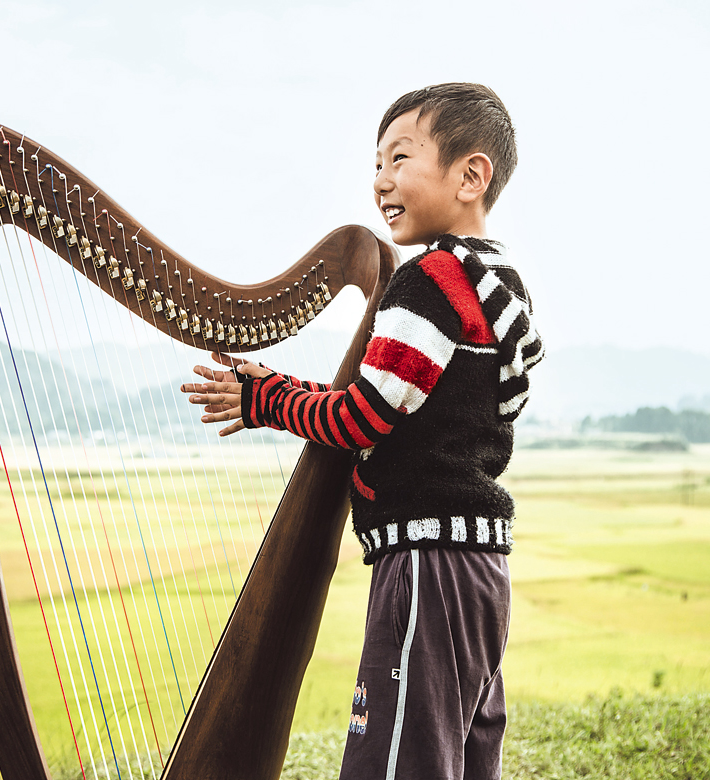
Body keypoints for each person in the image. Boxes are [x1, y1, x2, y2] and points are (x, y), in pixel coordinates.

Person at [181, 82, 543, 780]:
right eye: (376, 164)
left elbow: (362, 416)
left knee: (397, 761)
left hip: (427, 562)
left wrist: (266, 399)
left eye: (400, 159)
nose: (381, 182)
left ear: (471, 176)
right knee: (462, 760)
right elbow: (404, 407)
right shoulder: (497, 283)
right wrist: (278, 392)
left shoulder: (431, 282)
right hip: (480, 564)